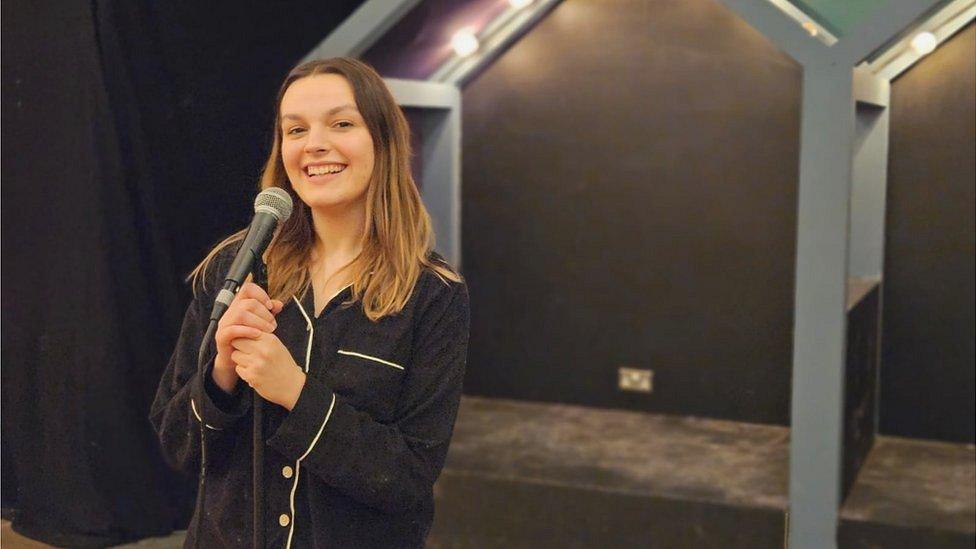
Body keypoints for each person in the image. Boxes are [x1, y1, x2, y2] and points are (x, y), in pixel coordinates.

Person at [149, 57, 470, 549]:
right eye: (295, 129)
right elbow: (177, 444)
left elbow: (407, 480)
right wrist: (221, 375)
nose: (314, 143)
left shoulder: (433, 295)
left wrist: (296, 393)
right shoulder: (234, 269)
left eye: (341, 123)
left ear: (383, 141)